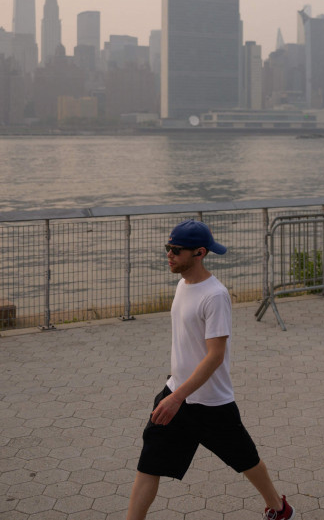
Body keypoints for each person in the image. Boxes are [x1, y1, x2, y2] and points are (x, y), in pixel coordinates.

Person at [126, 219, 296, 520]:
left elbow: (215, 356)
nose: (169, 254)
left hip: (211, 403)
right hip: (177, 393)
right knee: (148, 464)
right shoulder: (182, 285)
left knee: (246, 459)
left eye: (176, 250)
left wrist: (177, 396)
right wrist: (175, 392)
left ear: (200, 253)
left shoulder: (215, 295)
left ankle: (279, 508)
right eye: (168, 247)